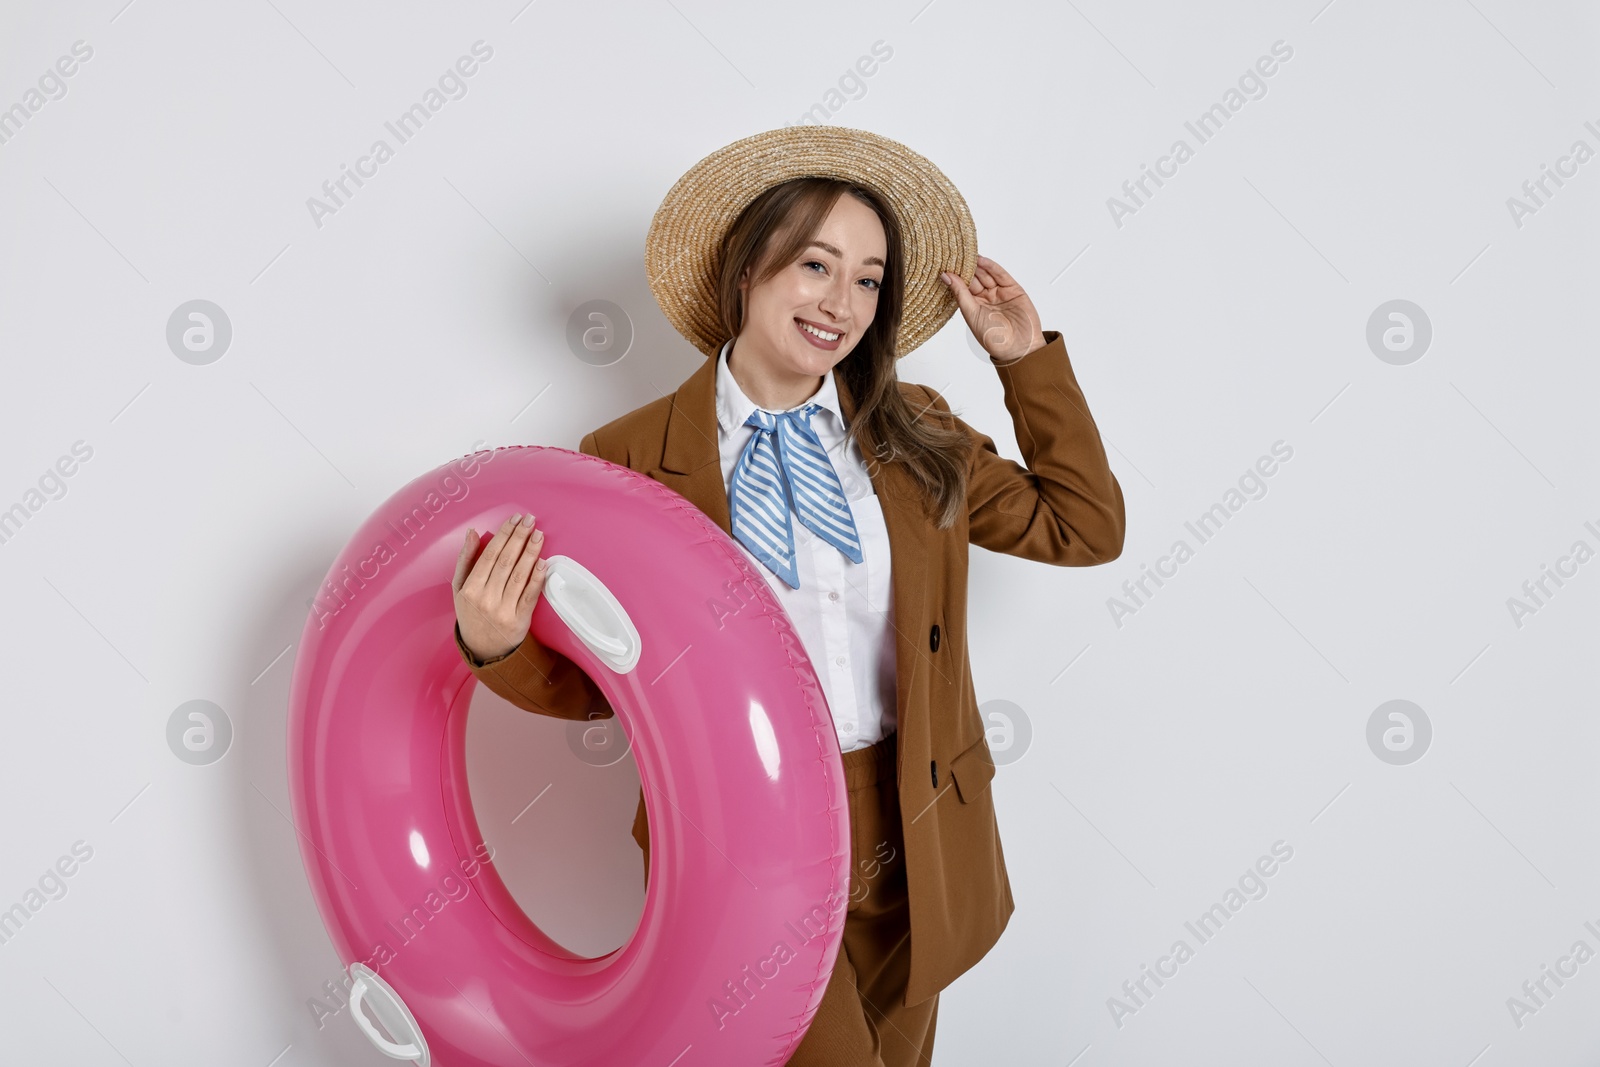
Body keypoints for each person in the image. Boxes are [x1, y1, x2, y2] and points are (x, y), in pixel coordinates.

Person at [450, 125, 1126, 1067]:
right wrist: (499, 648)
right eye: (816, 263)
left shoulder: (913, 428)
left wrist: (1024, 360)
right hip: (741, 836)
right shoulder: (626, 460)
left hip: (915, 820)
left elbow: (1085, 526)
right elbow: (603, 687)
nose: (841, 302)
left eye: (868, 278)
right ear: (747, 268)